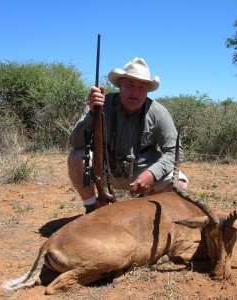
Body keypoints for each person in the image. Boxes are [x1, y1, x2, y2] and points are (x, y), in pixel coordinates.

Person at [68, 57, 188, 213]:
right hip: (106, 169)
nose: (135, 92)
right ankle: (91, 210)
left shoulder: (158, 112)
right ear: (120, 85)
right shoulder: (100, 104)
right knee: (77, 157)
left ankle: (151, 215)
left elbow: (175, 151)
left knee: (179, 183)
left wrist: (152, 174)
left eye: (141, 86)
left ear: (147, 90)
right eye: (130, 85)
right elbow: (76, 143)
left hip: (143, 170)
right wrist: (92, 112)